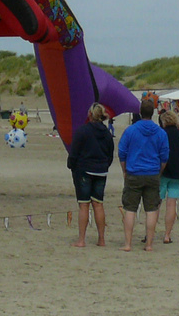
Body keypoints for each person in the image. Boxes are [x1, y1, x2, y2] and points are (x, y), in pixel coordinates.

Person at [116, 99, 169, 252]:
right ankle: (149, 244)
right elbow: (164, 156)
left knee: (130, 209)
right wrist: (159, 172)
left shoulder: (131, 130)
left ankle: (128, 243)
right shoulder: (160, 132)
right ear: (152, 113)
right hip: (152, 172)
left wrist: (124, 170)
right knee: (151, 209)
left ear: (140, 112)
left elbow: (122, 152)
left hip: (134, 172)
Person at [68, 102, 114, 248]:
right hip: (101, 170)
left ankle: (81, 240)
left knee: (84, 205)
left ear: (90, 115)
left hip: (85, 170)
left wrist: (72, 166)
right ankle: (101, 239)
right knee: (98, 204)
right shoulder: (106, 133)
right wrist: (104, 165)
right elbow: (110, 154)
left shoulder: (83, 131)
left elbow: (74, 152)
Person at [159, 110, 179, 244]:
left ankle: (148, 233)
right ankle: (167, 235)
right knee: (171, 204)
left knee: (155, 204)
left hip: (162, 172)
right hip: (178, 173)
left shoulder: (161, 135)